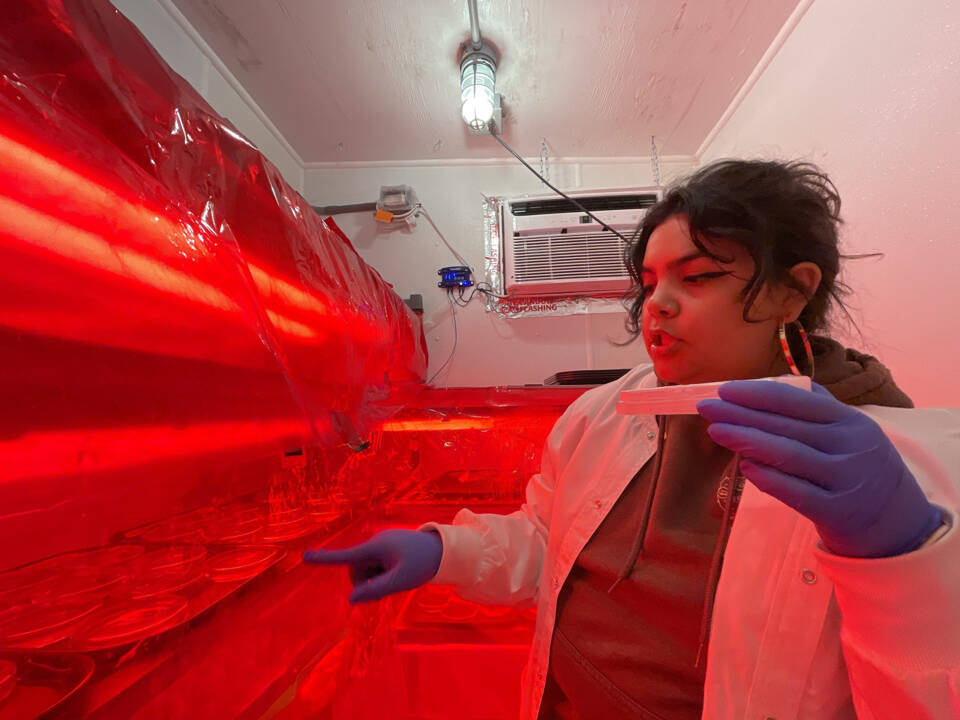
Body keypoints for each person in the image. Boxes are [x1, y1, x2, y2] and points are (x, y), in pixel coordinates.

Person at [304, 160, 960, 720]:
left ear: (794, 292)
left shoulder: (901, 465)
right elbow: (543, 541)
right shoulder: (602, 414)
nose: (657, 305)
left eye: (697, 277)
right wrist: (439, 550)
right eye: (649, 284)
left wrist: (904, 566)